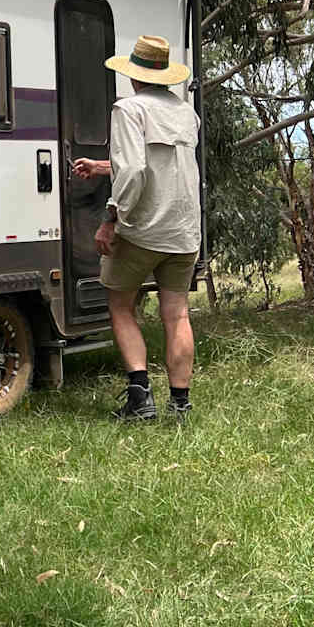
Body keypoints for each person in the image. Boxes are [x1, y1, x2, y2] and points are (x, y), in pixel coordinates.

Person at [71, 34, 201, 421]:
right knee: (176, 313)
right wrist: (102, 167)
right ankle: (180, 405)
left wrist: (110, 220)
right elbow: (157, 167)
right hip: (183, 232)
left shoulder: (128, 109)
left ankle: (140, 398)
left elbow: (135, 170)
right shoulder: (185, 113)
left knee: (120, 305)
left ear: (134, 75)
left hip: (143, 230)